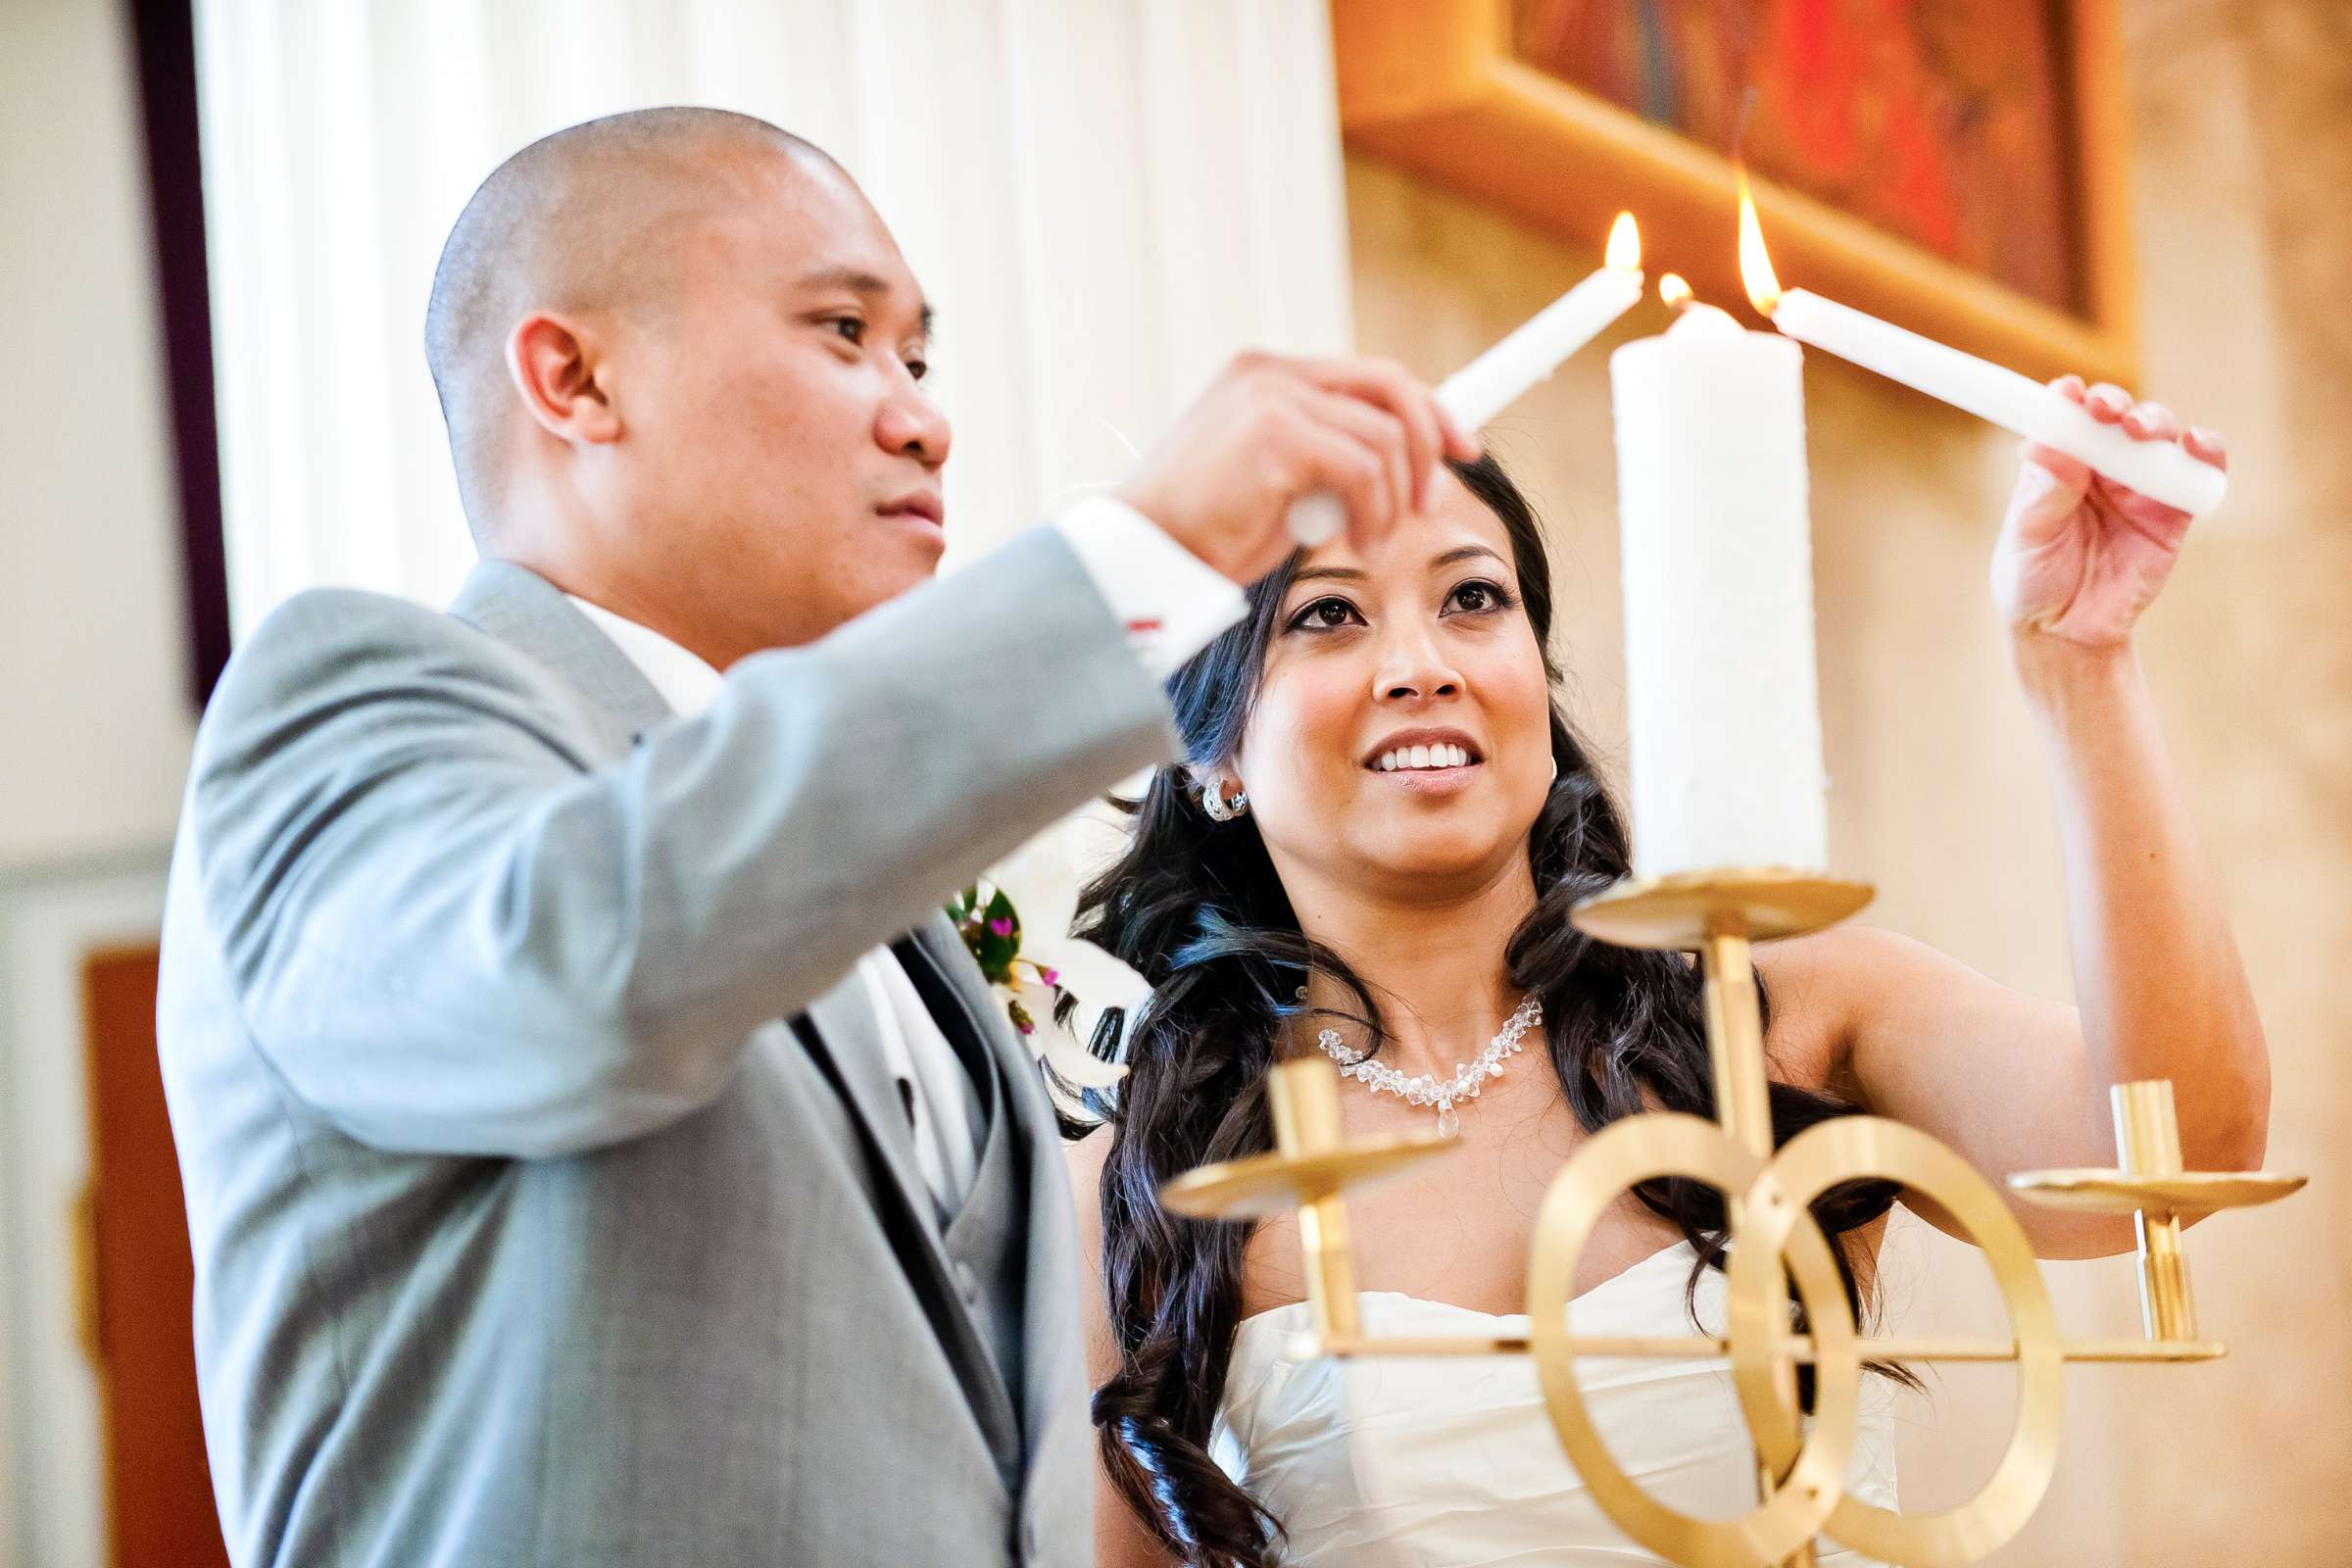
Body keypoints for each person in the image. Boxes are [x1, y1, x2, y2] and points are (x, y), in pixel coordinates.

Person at [156, 106, 1475, 1568]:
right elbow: (582, 967)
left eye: (920, 356)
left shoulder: (871, 881)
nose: (923, 415)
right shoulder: (347, 705)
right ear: (575, 377)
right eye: (844, 332)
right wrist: (1132, 569)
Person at [1066, 387, 2268, 1566]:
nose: (1421, 663)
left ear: (1539, 693)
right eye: (1328, 616)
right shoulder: (1140, 1183)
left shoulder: (1780, 1017)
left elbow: (2174, 1158)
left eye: (1474, 598)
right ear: (1212, 752)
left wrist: (2082, 667)